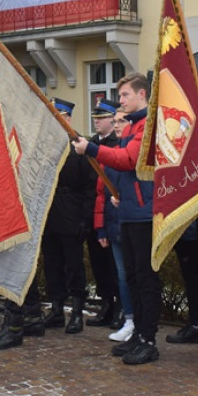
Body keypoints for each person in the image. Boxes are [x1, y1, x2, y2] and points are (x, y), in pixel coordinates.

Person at [73, 72, 160, 365]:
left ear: (141, 95)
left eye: (124, 95)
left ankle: (149, 338)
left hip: (144, 213)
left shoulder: (146, 125)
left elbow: (128, 161)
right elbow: (122, 170)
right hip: (130, 210)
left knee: (146, 279)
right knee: (134, 276)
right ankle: (138, 334)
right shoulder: (134, 125)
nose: (120, 100)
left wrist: (92, 149)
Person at [40, 98, 98, 334]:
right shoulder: (43, 145)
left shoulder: (80, 145)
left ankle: (76, 311)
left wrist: (85, 219)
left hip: (72, 213)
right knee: (52, 264)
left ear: (67, 118)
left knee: (73, 266)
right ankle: (55, 308)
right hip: (48, 213)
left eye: (60, 116)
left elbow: (89, 187)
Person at [84, 99, 124, 329]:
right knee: (99, 264)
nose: (97, 122)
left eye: (102, 119)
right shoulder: (90, 144)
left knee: (114, 265)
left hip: (110, 211)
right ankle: (106, 304)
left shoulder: (116, 145)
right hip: (93, 212)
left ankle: (119, 306)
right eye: (95, 119)